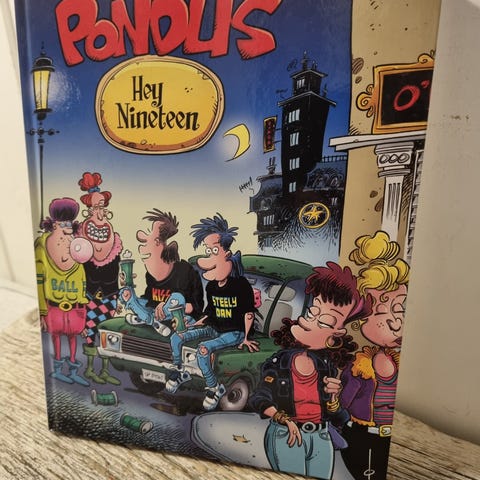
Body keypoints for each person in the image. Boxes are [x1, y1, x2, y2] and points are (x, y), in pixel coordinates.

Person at [249, 262, 372, 480]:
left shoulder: (327, 367)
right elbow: (259, 397)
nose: (309, 320)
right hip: (286, 434)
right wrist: (283, 419)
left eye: (323, 320)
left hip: (321, 438)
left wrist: (334, 400)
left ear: (336, 335)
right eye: (312, 311)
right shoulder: (279, 362)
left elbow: (339, 417)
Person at [165, 213, 258, 411]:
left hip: (233, 332)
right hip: (214, 328)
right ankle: (179, 371)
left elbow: (248, 313)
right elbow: (210, 313)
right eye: (208, 251)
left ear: (227, 253)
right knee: (176, 337)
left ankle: (214, 387)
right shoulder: (212, 287)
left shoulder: (240, 284)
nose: (208, 257)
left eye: (214, 250)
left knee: (203, 349)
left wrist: (245, 338)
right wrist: (194, 324)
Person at [340, 231, 409, 480]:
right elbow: (344, 400)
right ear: (359, 320)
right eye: (381, 312)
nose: (395, 321)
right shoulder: (359, 366)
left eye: (400, 308)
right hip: (361, 433)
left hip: (386, 435)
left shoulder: (398, 361)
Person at [35, 197, 91, 386]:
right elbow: (40, 283)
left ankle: (73, 370)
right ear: (54, 224)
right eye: (63, 224)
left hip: (74, 307)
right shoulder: (42, 248)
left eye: (69, 223)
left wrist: (83, 311)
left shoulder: (76, 248)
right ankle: (58, 370)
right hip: (54, 305)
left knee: (73, 337)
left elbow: (82, 280)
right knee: (56, 337)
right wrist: (42, 312)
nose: (67, 228)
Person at [77, 172, 123, 385]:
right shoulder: (82, 239)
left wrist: (120, 290)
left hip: (111, 292)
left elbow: (115, 265)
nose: (100, 211)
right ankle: (89, 368)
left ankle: (104, 370)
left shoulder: (114, 239)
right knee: (90, 330)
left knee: (108, 330)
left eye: (102, 206)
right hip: (91, 292)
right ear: (89, 209)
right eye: (96, 207)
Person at [136, 208, 204, 323]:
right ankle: (148, 318)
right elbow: (149, 301)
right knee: (135, 300)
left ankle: (149, 319)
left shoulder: (184, 271)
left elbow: (194, 307)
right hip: (158, 317)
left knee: (176, 298)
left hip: (184, 319)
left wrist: (167, 306)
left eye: (150, 232)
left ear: (157, 241)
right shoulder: (150, 275)